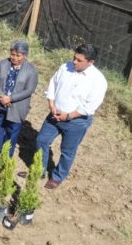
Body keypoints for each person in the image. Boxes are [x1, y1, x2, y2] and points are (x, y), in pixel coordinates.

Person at [35, 44, 107, 189]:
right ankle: (39, 170)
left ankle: (57, 176)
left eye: (79, 60)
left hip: (77, 121)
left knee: (67, 151)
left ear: (91, 62)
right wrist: (51, 105)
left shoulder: (98, 80)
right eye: (74, 58)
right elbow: (53, 84)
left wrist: (68, 116)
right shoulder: (65, 67)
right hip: (54, 114)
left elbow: (89, 107)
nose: (74, 62)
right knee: (41, 140)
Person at [0, 40, 38, 162]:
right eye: (12, 54)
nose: (14, 58)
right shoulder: (2, 64)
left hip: (17, 106)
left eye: (18, 55)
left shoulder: (31, 70)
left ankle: (6, 156)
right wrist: (1, 95)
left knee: (12, 131)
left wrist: (10, 98)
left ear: (25, 55)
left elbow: (29, 90)